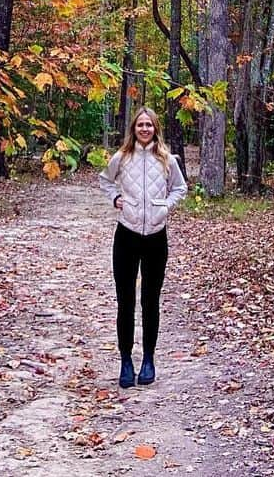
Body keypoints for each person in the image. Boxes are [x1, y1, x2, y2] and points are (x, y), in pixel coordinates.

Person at [99, 106, 188, 388]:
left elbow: (180, 188)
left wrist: (165, 206)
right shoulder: (122, 157)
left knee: (150, 300)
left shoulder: (167, 159)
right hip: (126, 235)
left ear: (156, 128)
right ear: (134, 129)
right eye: (140, 125)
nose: (145, 129)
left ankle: (148, 359)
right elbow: (104, 181)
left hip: (156, 237)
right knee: (125, 301)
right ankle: (126, 361)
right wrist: (116, 200)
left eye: (149, 125)